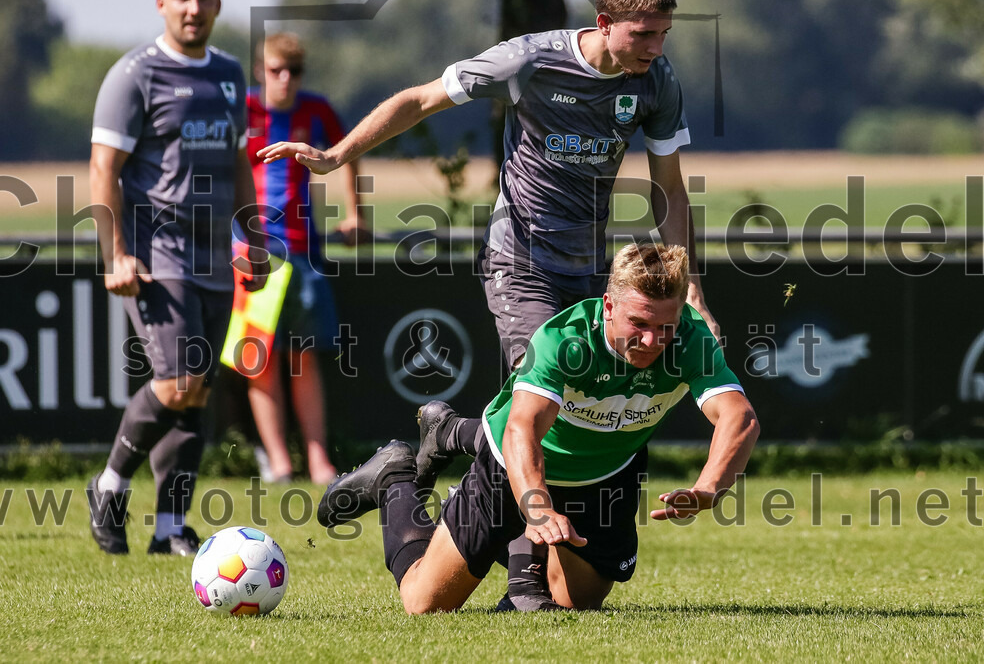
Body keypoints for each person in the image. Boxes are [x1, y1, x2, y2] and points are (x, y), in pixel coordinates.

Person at [259, 0, 720, 605]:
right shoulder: (529, 61)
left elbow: (667, 188)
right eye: (642, 34)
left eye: (663, 34)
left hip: (591, 272)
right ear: (603, 22)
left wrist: (690, 285)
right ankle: (525, 580)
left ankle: (440, 442)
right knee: (541, 397)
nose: (655, 48)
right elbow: (420, 99)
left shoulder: (656, 82)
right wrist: (336, 157)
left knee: (572, 409)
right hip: (520, 262)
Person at [315, 243, 759, 613]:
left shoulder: (691, 341)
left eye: (665, 327)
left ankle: (457, 450)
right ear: (608, 306)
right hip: (514, 464)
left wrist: (709, 487)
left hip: (606, 475)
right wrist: (538, 507)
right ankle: (394, 477)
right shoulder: (564, 341)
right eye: (639, 324)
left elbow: (739, 418)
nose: (651, 341)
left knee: (575, 603)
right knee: (424, 603)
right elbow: (523, 430)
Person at [86, 0, 267, 556]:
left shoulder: (229, 74)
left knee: (199, 391)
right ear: (161, 3)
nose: (193, 8)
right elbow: (103, 169)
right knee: (179, 380)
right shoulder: (134, 75)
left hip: (215, 256)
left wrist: (253, 239)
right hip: (155, 253)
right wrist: (116, 253)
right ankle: (109, 485)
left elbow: (239, 164)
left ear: (217, 4)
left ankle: (169, 529)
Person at [243, 31, 367, 484]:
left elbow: (348, 152)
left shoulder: (316, 109)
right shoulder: (242, 109)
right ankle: (279, 461)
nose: (285, 79)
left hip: (304, 250)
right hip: (252, 251)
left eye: (293, 71)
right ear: (261, 71)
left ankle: (318, 461)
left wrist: (356, 213)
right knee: (259, 359)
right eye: (276, 70)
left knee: (304, 357)